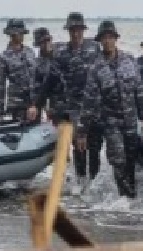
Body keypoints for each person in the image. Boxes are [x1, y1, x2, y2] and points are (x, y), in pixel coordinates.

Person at [77, 21, 143, 198]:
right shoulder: (96, 67)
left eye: (110, 37)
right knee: (118, 160)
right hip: (111, 123)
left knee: (131, 161)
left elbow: (138, 90)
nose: (107, 41)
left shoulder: (129, 60)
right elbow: (89, 101)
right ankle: (125, 200)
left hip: (130, 120)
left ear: (116, 39)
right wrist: (82, 132)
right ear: (100, 41)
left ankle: (132, 199)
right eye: (104, 38)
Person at [53, 11, 103, 193]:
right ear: (68, 31)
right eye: (72, 30)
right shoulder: (61, 54)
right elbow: (54, 82)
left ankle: (95, 185)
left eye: (79, 30)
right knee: (79, 147)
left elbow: (104, 73)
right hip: (74, 109)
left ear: (83, 30)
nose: (75, 34)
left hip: (95, 107)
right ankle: (81, 183)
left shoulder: (94, 48)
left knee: (95, 147)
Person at [0, 19, 38, 122]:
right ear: (11, 34)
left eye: (22, 33)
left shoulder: (30, 52)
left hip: (34, 104)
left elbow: (36, 78)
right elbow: (1, 85)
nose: (21, 36)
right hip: (16, 105)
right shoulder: (3, 57)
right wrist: (0, 113)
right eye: (18, 33)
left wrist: (36, 103)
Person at [30, 28, 65, 120]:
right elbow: (38, 88)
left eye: (48, 40)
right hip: (52, 102)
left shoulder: (62, 53)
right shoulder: (37, 64)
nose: (46, 44)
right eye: (42, 42)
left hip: (68, 100)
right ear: (38, 44)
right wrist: (40, 106)